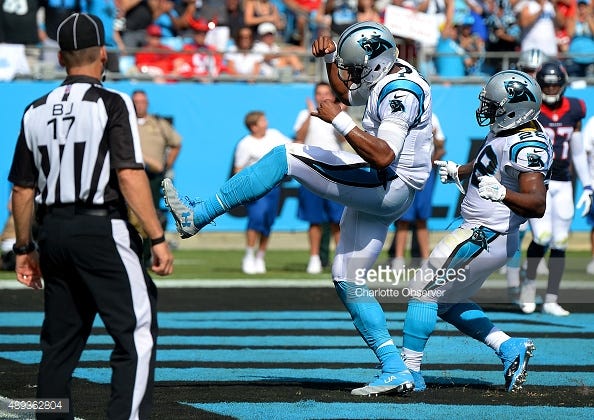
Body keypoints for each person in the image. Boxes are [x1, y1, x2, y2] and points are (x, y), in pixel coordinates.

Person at [163, 21, 434, 396]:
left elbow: (385, 154)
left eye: (355, 68)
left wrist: (338, 121)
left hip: (386, 182)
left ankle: (199, 214)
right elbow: (347, 93)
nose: (349, 76)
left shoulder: (399, 91)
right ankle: (396, 367)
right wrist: (327, 64)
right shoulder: (389, 74)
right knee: (346, 277)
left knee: (286, 156)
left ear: (375, 63)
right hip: (389, 188)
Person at [7, 13, 174, 419]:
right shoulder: (111, 103)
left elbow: (22, 190)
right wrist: (156, 236)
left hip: (53, 234)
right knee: (136, 335)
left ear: (61, 58)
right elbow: (130, 174)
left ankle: (49, 416)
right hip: (100, 226)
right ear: (103, 54)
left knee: (58, 345)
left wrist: (24, 248)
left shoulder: (35, 109)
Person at [401, 69, 551, 393]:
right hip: (480, 231)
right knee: (444, 301)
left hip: (485, 234)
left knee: (422, 289)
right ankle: (509, 347)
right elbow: (488, 163)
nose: (488, 109)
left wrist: (504, 194)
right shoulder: (507, 129)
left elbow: (537, 203)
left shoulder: (528, 145)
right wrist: (461, 171)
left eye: (494, 104)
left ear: (514, 109)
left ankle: (407, 371)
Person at [518, 60, 592, 316]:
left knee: (560, 241)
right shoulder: (531, 109)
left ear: (563, 84)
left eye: (554, 84)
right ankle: (527, 288)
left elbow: (579, 152)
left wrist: (589, 185)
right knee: (542, 237)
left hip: (563, 182)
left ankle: (551, 297)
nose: (550, 89)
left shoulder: (575, 109)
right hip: (538, 181)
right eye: (546, 85)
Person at [293, 82, 346, 274]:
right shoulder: (304, 114)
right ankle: (314, 258)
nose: (322, 96)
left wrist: (338, 118)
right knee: (314, 219)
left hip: (336, 171)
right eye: (319, 93)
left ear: (332, 96)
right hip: (311, 170)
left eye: (326, 93)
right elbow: (299, 136)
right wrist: (309, 115)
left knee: (338, 220)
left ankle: (340, 258)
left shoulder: (339, 115)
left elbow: (343, 139)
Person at [234, 111, 292, 274]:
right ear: (253, 126)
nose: (266, 123)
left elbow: (291, 147)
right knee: (256, 218)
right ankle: (249, 255)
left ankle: (260, 256)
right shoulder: (245, 144)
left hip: (274, 187)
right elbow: (238, 169)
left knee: (268, 222)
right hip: (255, 189)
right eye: (262, 121)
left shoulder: (274, 135)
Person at [131, 89, 182, 266]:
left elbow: (176, 143)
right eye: (136, 102)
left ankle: (147, 255)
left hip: (152, 175)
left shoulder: (158, 123)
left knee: (150, 213)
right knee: (129, 214)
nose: (139, 105)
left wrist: (167, 165)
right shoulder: (124, 121)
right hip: (129, 173)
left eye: (142, 102)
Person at [391, 113, 446, 271]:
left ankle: (425, 259)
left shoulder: (433, 117)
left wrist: (434, 137)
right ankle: (398, 259)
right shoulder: (402, 117)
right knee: (403, 219)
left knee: (422, 218)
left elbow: (441, 145)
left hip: (425, 173)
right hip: (405, 170)